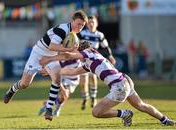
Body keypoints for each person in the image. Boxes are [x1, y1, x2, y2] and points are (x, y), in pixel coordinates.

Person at [39, 41, 175, 126]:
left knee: (96, 112)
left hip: (119, 86)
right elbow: (71, 71)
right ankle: (164, 120)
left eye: (76, 50)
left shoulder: (89, 52)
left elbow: (70, 56)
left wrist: (51, 60)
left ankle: (125, 113)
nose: (75, 54)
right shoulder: (89, 63)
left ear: (82, 50)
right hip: (124, 80)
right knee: (141, 105)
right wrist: (52, 71)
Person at [3, 10, 88, 120]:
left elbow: (64, 55)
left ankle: (49, 109)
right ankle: (12, 89)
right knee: (24, 84)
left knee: (57, 79)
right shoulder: (63, 30)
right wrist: (69, 49)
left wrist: (75, 52)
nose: (80, 27)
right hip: (38, 52)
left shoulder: (74, 37)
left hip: (52, 56)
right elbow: (52, 46)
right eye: (79, 24)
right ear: (72, 21)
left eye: (82, 25)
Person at [77, 15, 116, 110]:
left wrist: (110, 55)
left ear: (96, 23)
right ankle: (85, 98)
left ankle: (93, 98)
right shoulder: (82, 33)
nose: (91, 24)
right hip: (83, 59)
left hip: (94, 60)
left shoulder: (99, 35)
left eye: (92, 22)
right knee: (83, 82)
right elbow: (76, 44)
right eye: (89, 22)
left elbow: (105, 46)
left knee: (93, 78)